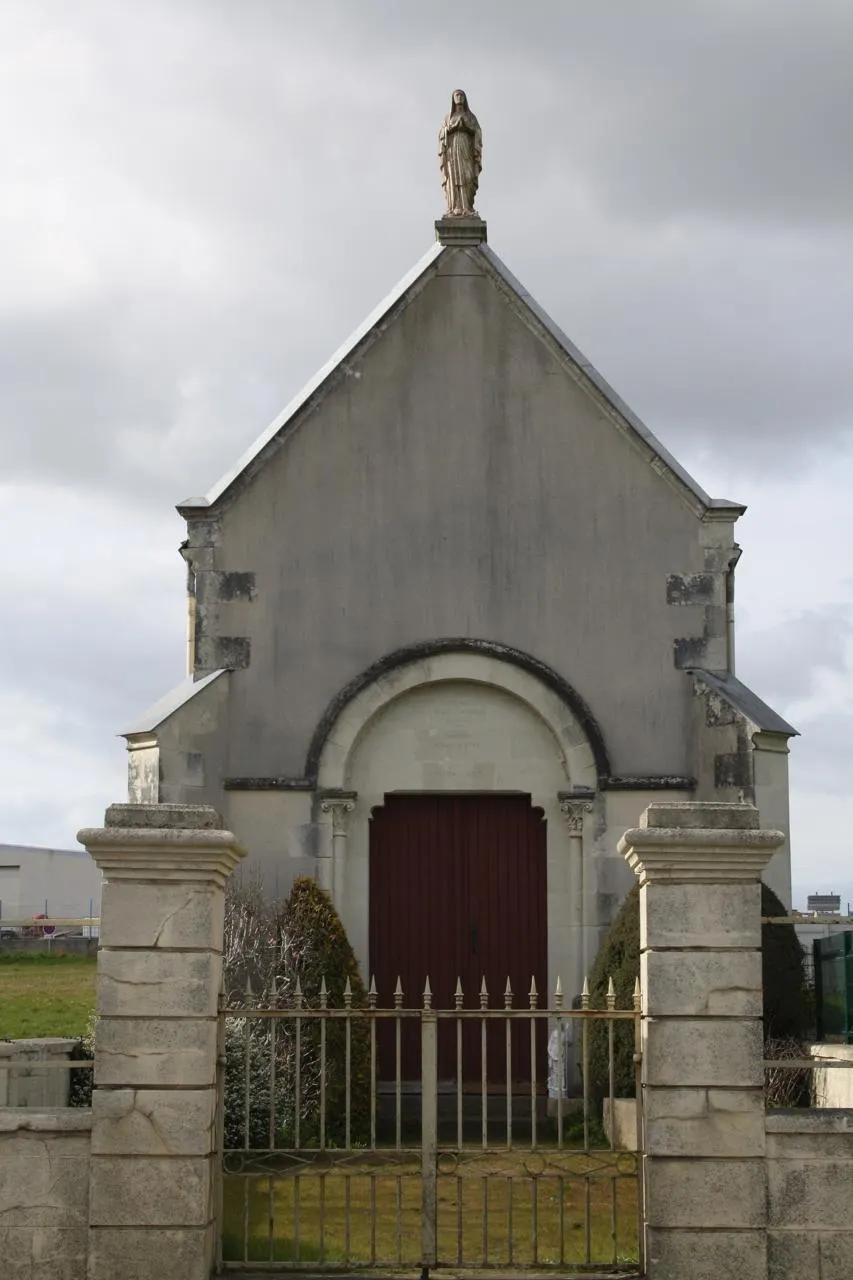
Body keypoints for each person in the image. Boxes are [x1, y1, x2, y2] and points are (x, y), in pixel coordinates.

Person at [438, 89, 483, 217]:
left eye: (462, 95)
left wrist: (467, 127)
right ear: (453, 99)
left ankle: (467, 206)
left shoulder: (471, 117)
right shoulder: (448, 117)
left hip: (466, 150)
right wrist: (453, 127)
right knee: (453, 177)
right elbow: (442, 134)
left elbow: (478, 132)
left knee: (467, 176)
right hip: (452, 150)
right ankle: (455, 207)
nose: (459, 97)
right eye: (457, 95)